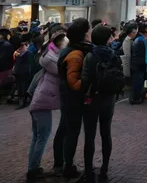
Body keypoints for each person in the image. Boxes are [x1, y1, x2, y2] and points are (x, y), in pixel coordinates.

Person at [81, 26, 124, 182]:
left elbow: (85, 79)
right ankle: (104, 169)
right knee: (106, 134)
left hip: (91, 99)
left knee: (89, 136)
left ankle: (88, 171)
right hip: (108, 99)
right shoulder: (113, 55)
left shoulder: (90, 56)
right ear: (108, 39)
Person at [26, 33, 67, 182]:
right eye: (64, 42)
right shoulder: (51, 60)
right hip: (41, 104)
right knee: (42, 137)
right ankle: (33, 170)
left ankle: (32, 167)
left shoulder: (47, 55)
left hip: (39, 102)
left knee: (37, 137)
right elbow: (63, 71)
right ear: (59, 43)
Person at [57, 18, 93, 179]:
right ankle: (68, 165)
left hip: (69, 97)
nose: (90, 33)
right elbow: (73, 81)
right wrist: (85, 86)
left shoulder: (73, 49)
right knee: (72, 131)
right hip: (72, 98)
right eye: (89, 30)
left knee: (68, 130)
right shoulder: (75, 53)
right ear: (83, 34)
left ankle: (64, 163)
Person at [129, 23, 147, 104]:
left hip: (137, 64)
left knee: (138, 82)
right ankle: (135, 98)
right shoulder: (140, 40)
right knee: (137, 82)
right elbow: (141, 55)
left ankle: (136, 97)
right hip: (138, 65)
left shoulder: (139, 39)